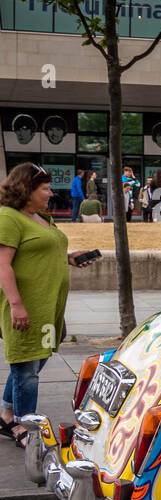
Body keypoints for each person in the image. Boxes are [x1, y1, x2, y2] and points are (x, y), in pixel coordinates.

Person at [0, 163, 87, 448]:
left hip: (50, 308)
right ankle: (25, 425)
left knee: (38, 359)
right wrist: (16, 304)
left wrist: (71, 258)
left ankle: (7, 413)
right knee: (26, 369)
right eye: (45, 188)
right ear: (26, 190)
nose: (50, 193)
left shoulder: (41, 218)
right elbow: (3, 265)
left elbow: (45, 252)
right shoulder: (9, 218)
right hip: (26, 308)